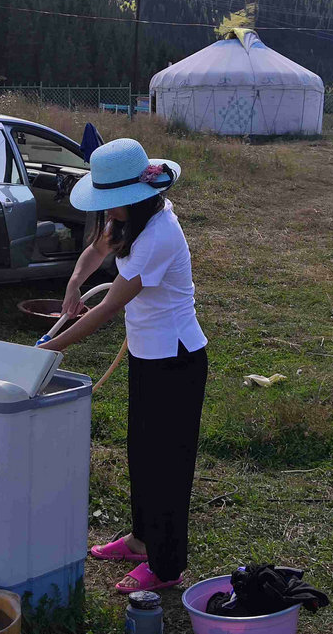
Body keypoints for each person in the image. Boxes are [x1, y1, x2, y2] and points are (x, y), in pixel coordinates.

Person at [36, 138, 208, 593]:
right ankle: (139, 539)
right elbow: (97, 249)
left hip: (177, 361)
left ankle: (167, 567)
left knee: (167, 465)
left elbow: (109, 308)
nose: (109, 214)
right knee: (142, 452)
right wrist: (73, 282)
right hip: (148, 356)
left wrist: (52, 348)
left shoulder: (159, 235)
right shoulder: (130, 219)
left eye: (114, 205)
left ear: (136, 197)